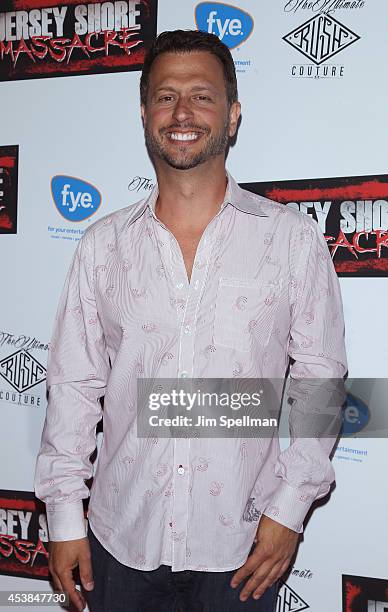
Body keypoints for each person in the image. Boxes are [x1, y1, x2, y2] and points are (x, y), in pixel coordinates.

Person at [34, 29, 347, 612]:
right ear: (145, 113)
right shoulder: (104, 245)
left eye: (202, 96)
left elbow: (320, 380)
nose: (182, 112)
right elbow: (74, 386)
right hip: (118, 541)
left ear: (232, 116)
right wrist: (62, 515)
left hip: (244, 547)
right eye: (165, 95)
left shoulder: (291, 239)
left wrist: (288, 509)